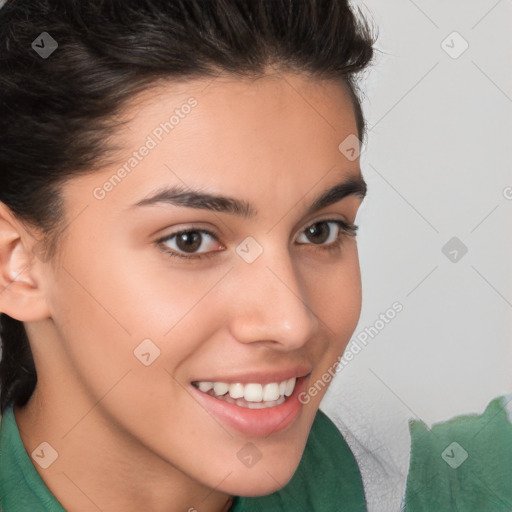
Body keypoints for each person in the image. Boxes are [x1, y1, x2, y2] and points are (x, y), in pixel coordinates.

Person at [0, 0, 377, 510]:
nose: (291, 323)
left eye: (320, 230)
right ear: (16, 264)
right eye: (191, 240)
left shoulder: (433, 487)